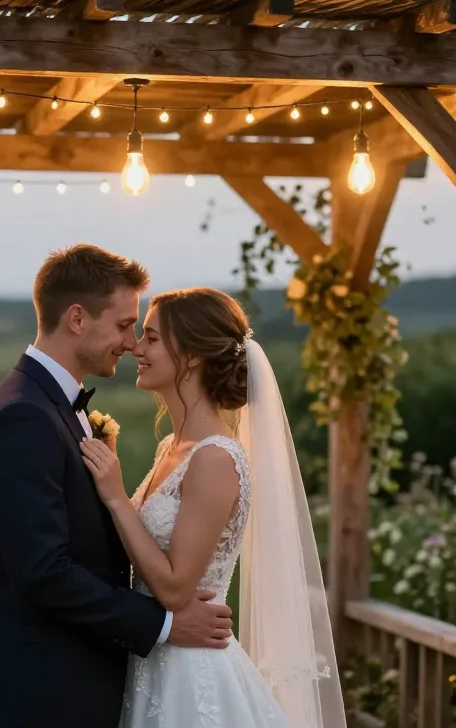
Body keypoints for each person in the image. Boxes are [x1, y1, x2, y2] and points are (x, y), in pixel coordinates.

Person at [0, 246, 234, 728]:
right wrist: (165, 625)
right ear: (76, 318)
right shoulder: (24, 417)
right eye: (125, 325)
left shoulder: (51, 407)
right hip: (42, 698)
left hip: (81, 687)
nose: (131, 344)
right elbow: (44, 573)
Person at [80, 287, 346, 728]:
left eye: (151, 338)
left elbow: (174, 589)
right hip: (152, 659)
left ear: (193, 356)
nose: (136, 349)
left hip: (191, 674)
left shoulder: (215, 457)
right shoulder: (172, 446)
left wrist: (114, 495)